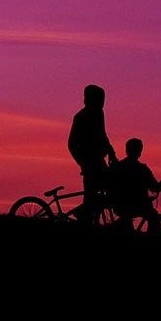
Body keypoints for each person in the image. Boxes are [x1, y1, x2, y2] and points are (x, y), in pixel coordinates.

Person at [67, 84, 118, 226]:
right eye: (100, 99)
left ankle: (87, 214)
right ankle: (84, 215)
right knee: (92, 194)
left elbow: (102, 135)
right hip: (90, 163)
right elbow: (71, 143)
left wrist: (111, 153)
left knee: (107, 189)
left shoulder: (99, 114)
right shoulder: (81, 117)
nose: (102, 103)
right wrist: (82, 162)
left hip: (98, 160)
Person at [110, 138, 161, 232]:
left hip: (119, 205)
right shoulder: (143, 169)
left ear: (127, 150)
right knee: (153, 217)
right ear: (139, 152)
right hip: (139, 206)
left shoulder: (117, 167)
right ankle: (155, 239)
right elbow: (155, 187)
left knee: (127, 219)